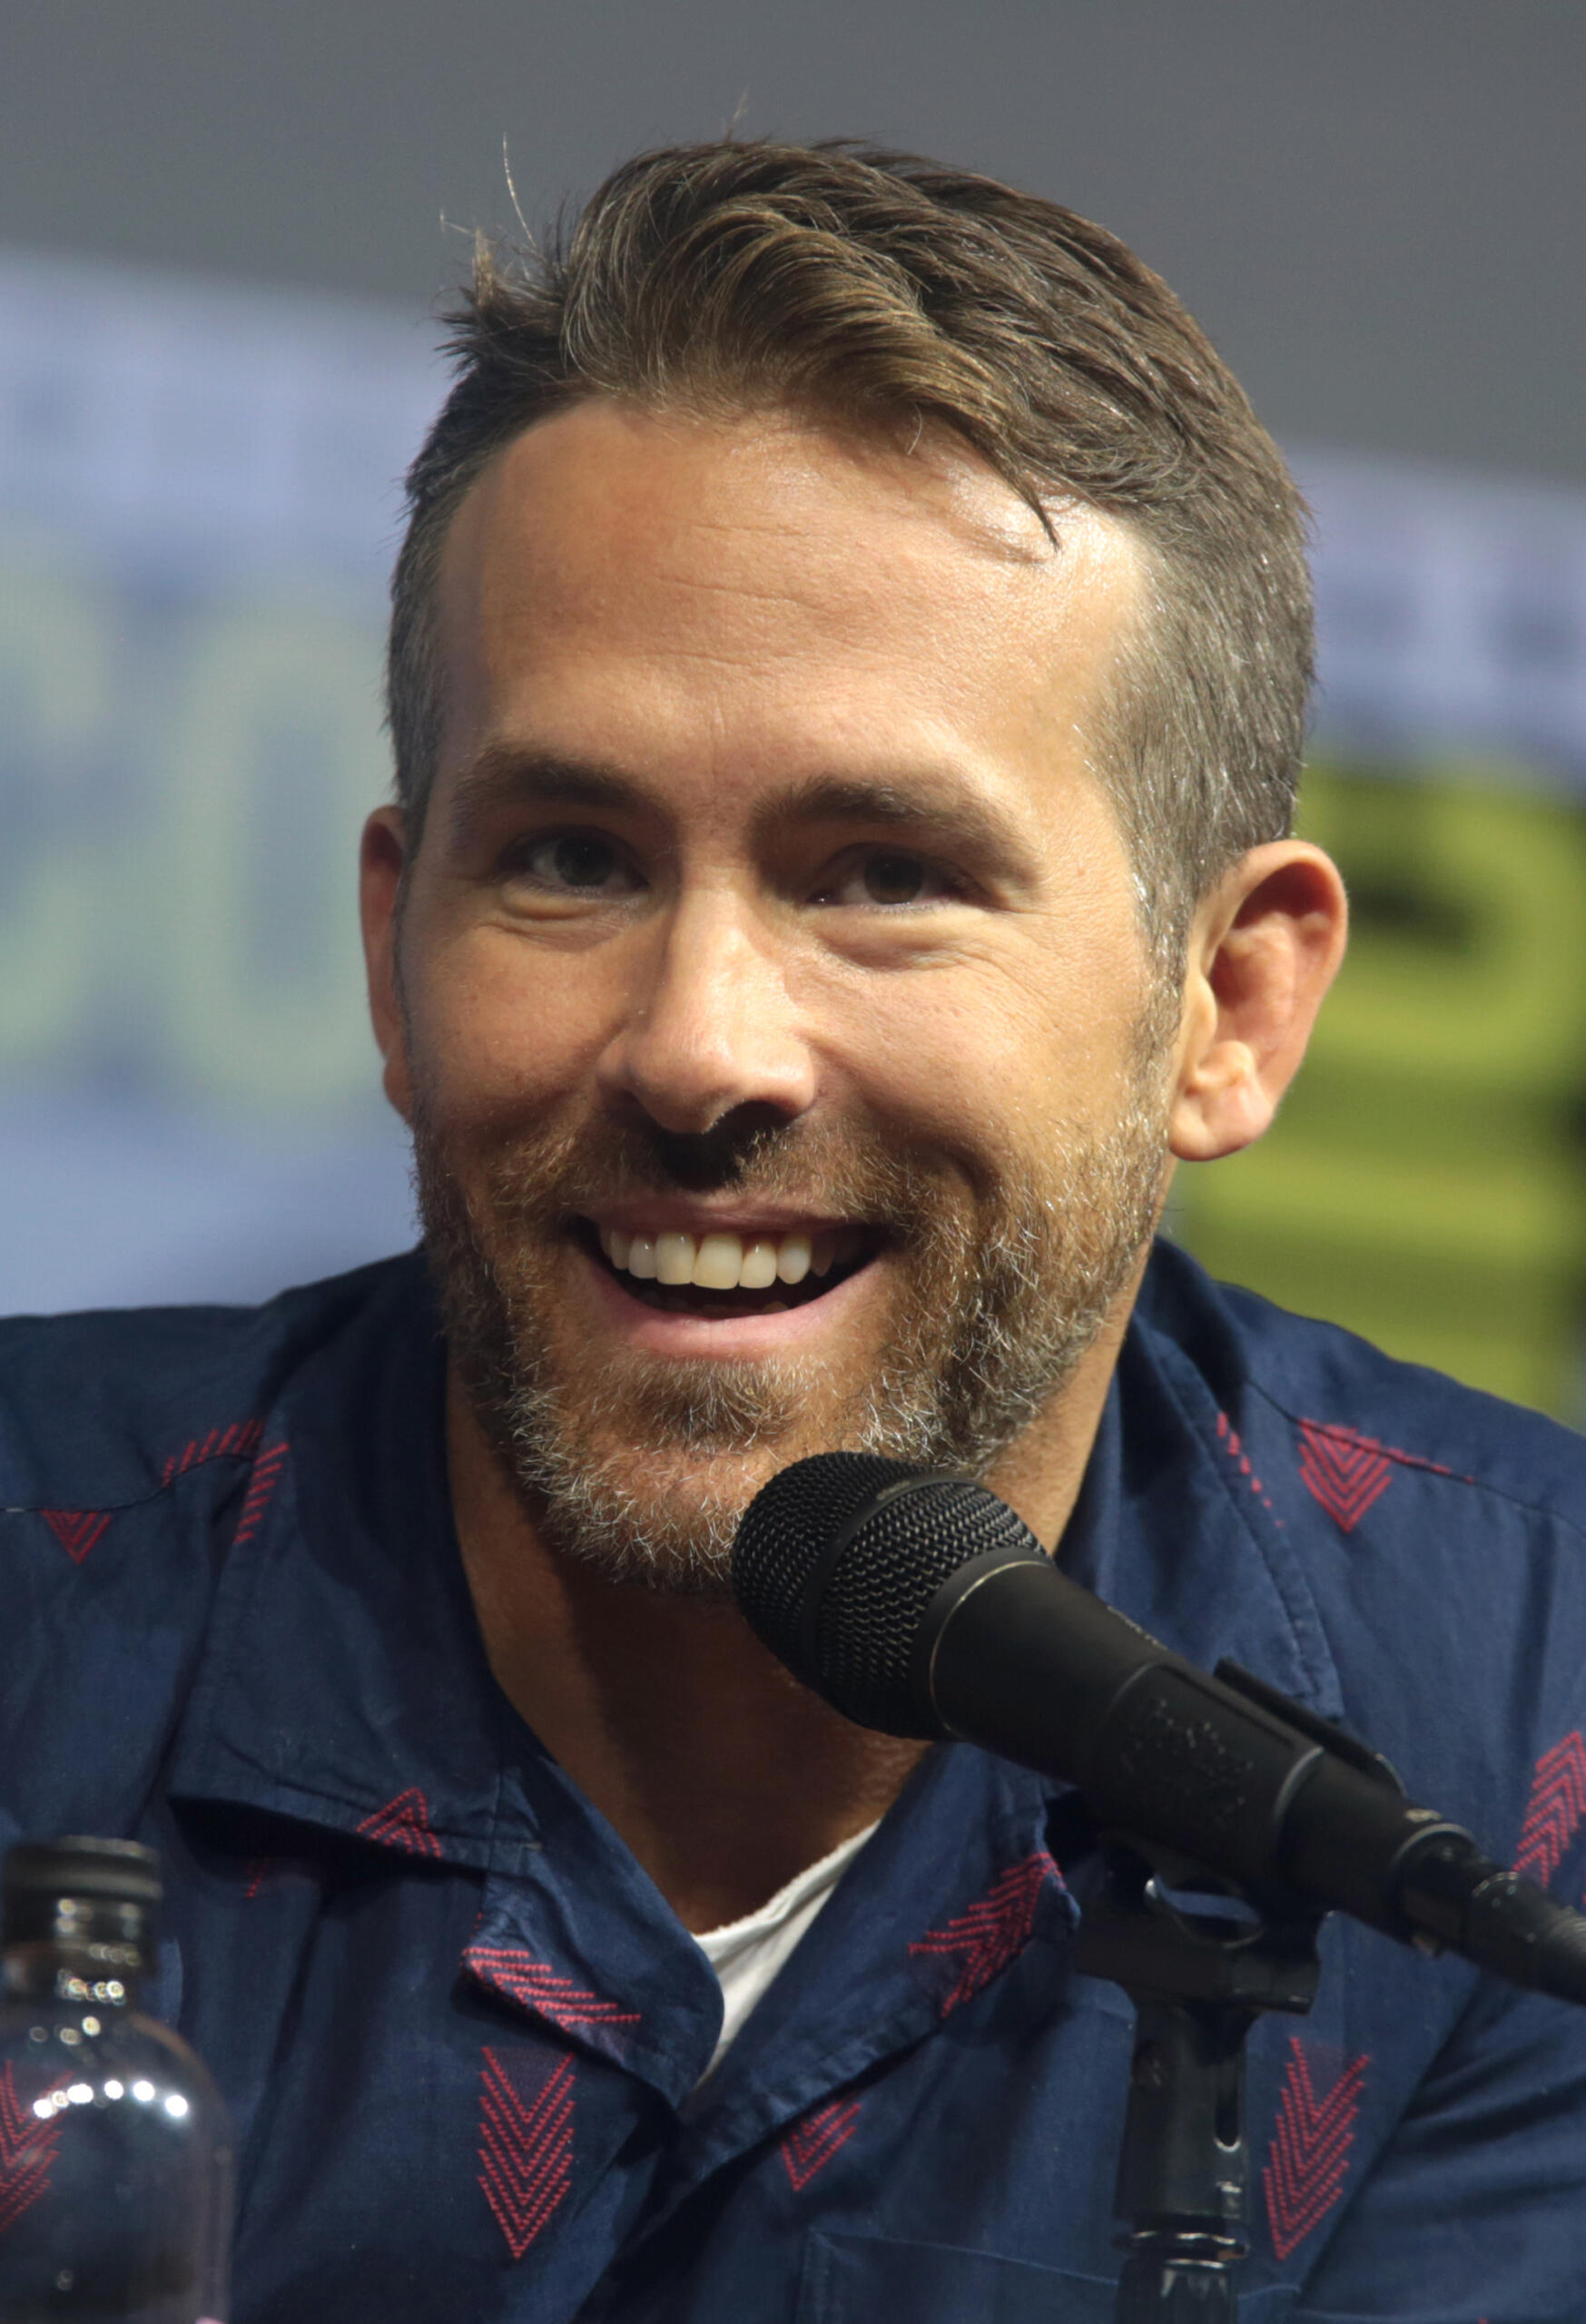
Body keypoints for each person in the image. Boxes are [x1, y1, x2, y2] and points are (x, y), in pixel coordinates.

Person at [4, 139, 1585, 2322]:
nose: (697, 1046)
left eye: (882, 876)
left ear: (1225, 1006)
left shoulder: (1531, 1737)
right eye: (569, 856)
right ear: (392, 947)